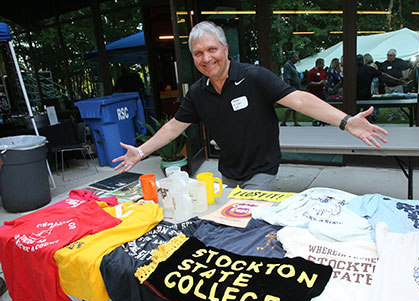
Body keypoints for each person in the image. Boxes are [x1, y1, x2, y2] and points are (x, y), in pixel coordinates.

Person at [113, 21, 388, 191]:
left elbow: (300, 99)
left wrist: (346, 121)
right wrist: (140, 150)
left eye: (212, 50)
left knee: (248, 221)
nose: (206, 58)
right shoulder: (198, 92)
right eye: (198, 53)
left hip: (261, 168)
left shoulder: (254, 77)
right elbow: (174, 127)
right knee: (230, 220)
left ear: (225, 50)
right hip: (228, 170)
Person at [379, 48, 410, 121]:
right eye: (387, 55)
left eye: (390, 55)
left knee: (400, 101)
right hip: (388, 86)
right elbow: (381, 73)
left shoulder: (400, 62)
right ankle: (391, 115)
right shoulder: (384, 63)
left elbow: (408, 67)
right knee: (389, 101)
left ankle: (401, 115)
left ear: (394, 56)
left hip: (397, 85)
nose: (388, 57)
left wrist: (404, 77)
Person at [280, 50, 301, 127]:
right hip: (292, 88)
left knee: (296, 106)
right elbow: (287, 78)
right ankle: (284, 121)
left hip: (296, 88)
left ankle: (296, 122)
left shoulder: (292, 66)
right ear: (291, 57)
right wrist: (289, 89)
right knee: (291, 106)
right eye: (295, 57)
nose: (297, 58)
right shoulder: (287, 66)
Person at [307, 58, 328, 126]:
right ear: (318, 64)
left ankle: (322, 119)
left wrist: (325, 82)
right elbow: (309, 83)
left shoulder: (323, 71)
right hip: (314, 92)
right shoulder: (312, 72)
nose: (323, 65)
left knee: (323, 105)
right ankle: (315, 119)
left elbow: (325, 78)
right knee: (315, 106)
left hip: (321, 91)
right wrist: (318, 83)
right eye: (322, 64)